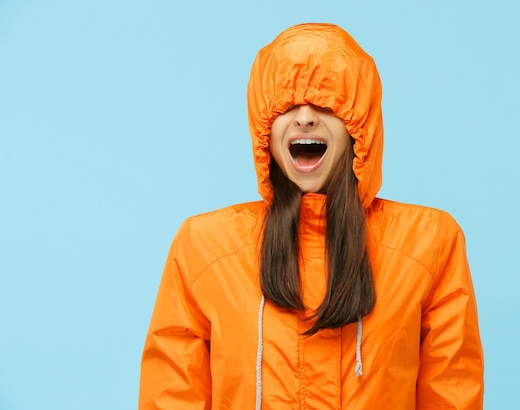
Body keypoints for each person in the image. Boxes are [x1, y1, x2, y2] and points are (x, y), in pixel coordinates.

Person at [139, 23, 484, 409]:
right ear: (264, 129)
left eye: (326, 103)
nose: (304, 118)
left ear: (358, 126)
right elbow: (170, 396)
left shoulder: (429, 242)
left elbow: (451, 393)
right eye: (286, 106)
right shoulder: (204, 245)